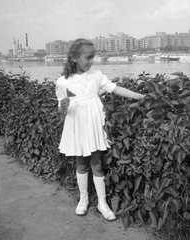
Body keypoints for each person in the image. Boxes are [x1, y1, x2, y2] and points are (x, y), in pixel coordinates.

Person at [56, 38, 144, 221]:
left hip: (94, 125)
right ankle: (84, 199)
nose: (91, 61)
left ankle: (102, 204)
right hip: (77, 125)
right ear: (74, 58)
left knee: (97, 164)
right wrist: (63, 107)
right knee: (81, 164)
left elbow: (115, 88)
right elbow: (62, 112)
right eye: (88, 58)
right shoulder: (63, 82)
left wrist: (139, 96)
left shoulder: (96, 75)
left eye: (93, 57)